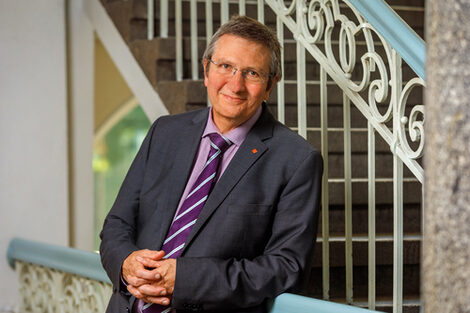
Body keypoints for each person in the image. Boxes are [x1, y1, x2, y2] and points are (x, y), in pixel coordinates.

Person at [100, 15, 323, 313]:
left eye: (252, 73)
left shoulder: (296, 160)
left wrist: (185, 278)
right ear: (206, 70)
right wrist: (126, 263)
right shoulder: (164, 133)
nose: (235, 84)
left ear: (270, 86)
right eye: (225, 66)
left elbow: (286, 268)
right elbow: (117, 224)